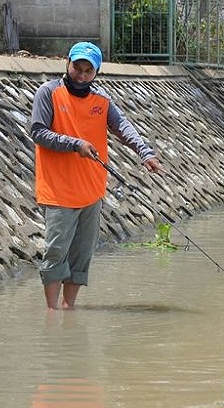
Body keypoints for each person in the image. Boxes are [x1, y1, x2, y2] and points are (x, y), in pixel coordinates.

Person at [29, 41, 163, 310]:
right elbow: (38, 132)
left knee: (82, 255)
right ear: (67, 63)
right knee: (56, 252)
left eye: (87, 71)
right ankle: (51, 312)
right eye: (76, 67)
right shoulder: (48, 93)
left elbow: (122, 127)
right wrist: (75, 144)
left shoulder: (102, 102)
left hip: (91, 192)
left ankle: (69, 309)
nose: (80, 74)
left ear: (96, 73)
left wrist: (145, 153)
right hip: (58, 192)